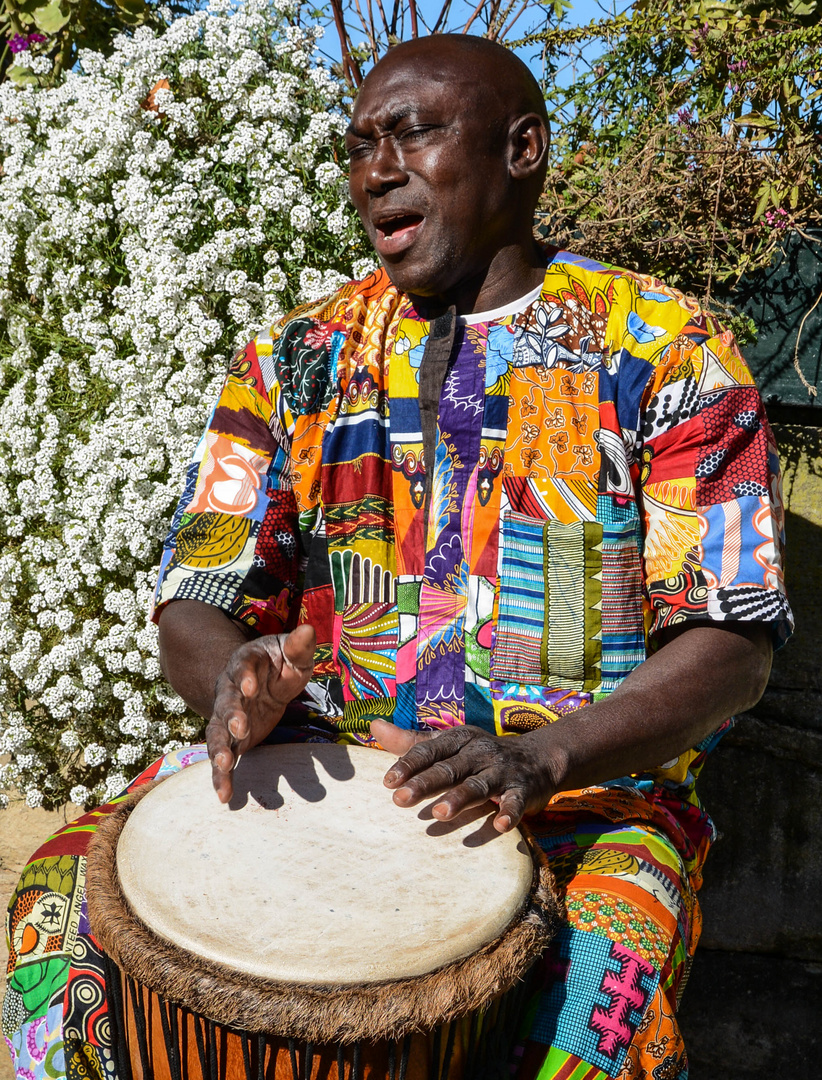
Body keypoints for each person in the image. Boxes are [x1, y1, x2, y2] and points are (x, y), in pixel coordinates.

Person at [4, 34, 791, 1080]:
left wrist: (544, 757)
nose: (378, 168)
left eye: (414, 131)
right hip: (326, 764)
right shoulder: (296, 356)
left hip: (582, 798)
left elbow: (732, 640)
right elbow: (198, 592)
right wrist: (237, 681)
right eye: (360, 144)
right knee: (59, 899)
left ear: (524, 149)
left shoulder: (668, 351)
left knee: (600, 981)